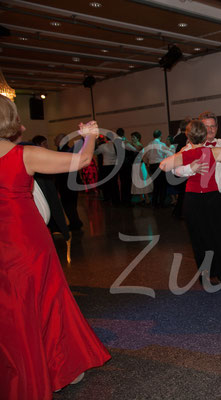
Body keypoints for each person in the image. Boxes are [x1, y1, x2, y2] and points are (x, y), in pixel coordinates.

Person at [0, 96, 110, 399]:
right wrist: (89, 136)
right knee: (46, 301)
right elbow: (82, 161)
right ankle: (59, 368)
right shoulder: (25, 155)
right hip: (26, 242)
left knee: (11, 311)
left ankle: (23, 372)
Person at [159, 119, 221, 284]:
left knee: (203, 238)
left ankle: (211, 274)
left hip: (196, 200)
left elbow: (163, 165)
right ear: (204, 134)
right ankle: (217, 273)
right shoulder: (212, 152)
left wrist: (189, 167)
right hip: (211, 198)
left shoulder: (186, 153)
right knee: (206, 237)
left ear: (188, 137)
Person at [55, 133, 84, 230]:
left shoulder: (65, 150)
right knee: (70, 203)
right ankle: (75, 222)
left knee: (68, 203)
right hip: (69, 182)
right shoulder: (64, 150)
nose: (54, 140)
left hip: (67, 182)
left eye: (56, 138)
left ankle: (75, 223)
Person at [143, 129, 174, 208]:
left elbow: (146, 156)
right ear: (160, 136)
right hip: (160, 165)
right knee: (163, 185)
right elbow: (170, 154)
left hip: (152, 166)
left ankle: (154, 203)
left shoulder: (149, 144)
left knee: (156, 185)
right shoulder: (161, 144)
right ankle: (161, 203)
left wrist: (148, 163)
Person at [130, 131, 153, 205]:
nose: (132, 138)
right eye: (132, 137)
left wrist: (129, 143)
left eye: (134, 137)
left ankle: (147, 199)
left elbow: (138, 148)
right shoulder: (132, 145)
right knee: (137, 182)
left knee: (143, 182)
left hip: (140, 165)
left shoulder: (140, 145)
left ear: (138, 138)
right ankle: (142, 199)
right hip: (135, 166)